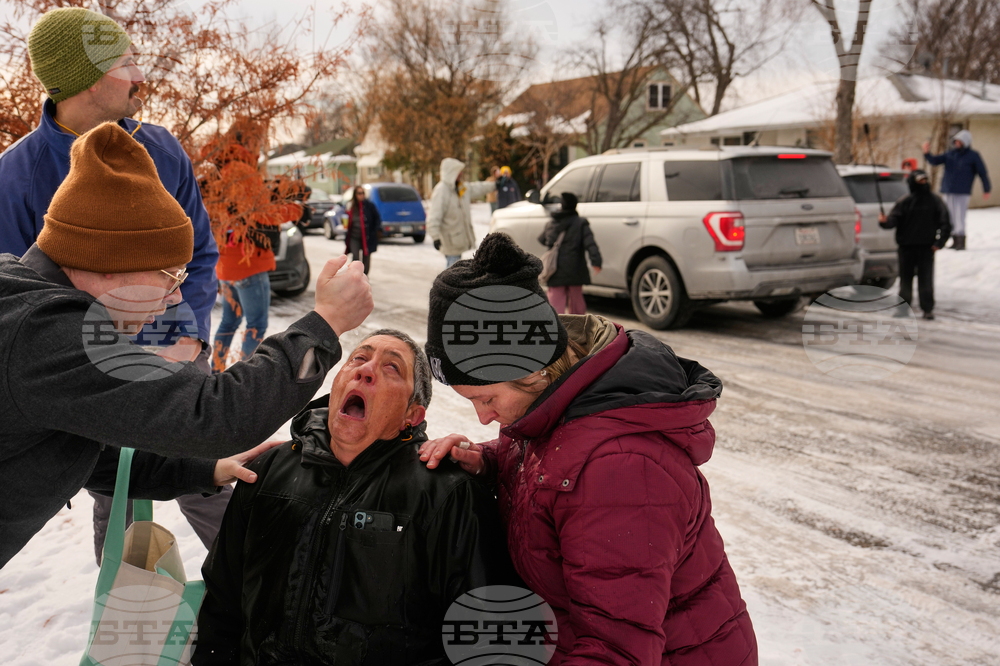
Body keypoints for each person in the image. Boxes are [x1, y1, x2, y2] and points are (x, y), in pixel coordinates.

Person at [0, 122, 373, 568]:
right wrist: (325, 324)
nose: (177, 297)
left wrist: (203, 470)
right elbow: (215, 413)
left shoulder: (25, 297)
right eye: (171, 276)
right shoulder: (46, 334)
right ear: (110, 265)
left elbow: (84, 451)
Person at [419, 233, 757, 665]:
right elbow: (551, 465)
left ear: (535, 369)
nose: (483, 418)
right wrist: (487, 459)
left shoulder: (620, 471)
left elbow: (618, 650)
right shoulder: (555, 402)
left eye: (487, 399)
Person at [0, 7, 234, 562]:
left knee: (215, 476)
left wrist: (189, 336)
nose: (141, 76)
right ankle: (124, 616)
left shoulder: (162, 149)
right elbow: (17, 299)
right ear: (85, 80)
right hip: (82, 375)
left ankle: (257, 601)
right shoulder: (15, 177)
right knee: (119, 490)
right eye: (127, 62)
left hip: (174, 350)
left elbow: (198, 253)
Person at [194, 329, 517, 665]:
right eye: (358, 359)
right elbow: (223, 600)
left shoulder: (444, 492)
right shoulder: (269, 469)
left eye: (392, 368)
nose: (366, 370)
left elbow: (488, 633)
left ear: (413, 415)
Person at [878, 169, 951, 320]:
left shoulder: (935, 201)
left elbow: (945, 223)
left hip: (926, 248)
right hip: (906, 248)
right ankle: (903, 309)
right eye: (920, 181)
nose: (923, 183)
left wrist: (939, 242)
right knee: (905, 280)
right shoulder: (905, 202)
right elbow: (892, 221)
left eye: (924, 180)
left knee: (926, 280)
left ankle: (927, 309)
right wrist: (884, 221)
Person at [923, 130, 991, 250]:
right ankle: (954, 239)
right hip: (948, 190)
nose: (957, 143)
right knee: (949, 215)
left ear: (966, 142)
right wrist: (927, 153)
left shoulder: (973, 156)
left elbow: (982, 173)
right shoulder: (950, 154)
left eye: (960, 141)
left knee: (960, 216)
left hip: (962, 191)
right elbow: (935, 161)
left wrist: (986, 188)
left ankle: (960, 240)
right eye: (956, 141)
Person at [538, 191, 602, 314]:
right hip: (575, 269)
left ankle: (556, 329)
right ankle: (577, 329)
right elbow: (590, 244)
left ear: (561, 205)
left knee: (555, 303)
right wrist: (596, 261)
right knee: (576, 301)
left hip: (555, 269)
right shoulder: (581, 223)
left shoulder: (553, 222)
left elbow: (542, 240)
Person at [427, 157, 496, 268]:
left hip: (457, 238)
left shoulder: (460, 188)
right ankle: (448, 285)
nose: (461, 174)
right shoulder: (441, 191)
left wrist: (494, 185)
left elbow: (477, 188)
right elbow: (434, 216)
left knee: (454, 269)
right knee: (453, 270)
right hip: (450, 240)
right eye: (458, 171)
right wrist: (435, 237)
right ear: (451, 173)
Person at [344, 184, 381, 275]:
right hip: (354, 236)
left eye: (363, 193)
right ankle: (355, 276)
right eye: (359, 193)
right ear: (355, 195)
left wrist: (376, 231)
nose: (361, 195)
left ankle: (364, 276)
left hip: (367, 236)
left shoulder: (369, 206)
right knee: (355, 257)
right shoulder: (351, 205)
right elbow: (345, 218)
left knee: (366, 257)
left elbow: (377, 218)